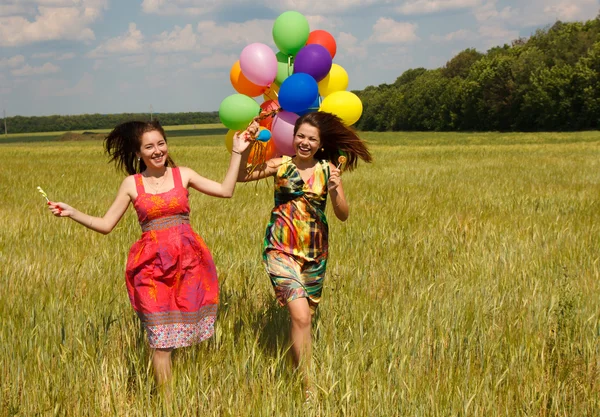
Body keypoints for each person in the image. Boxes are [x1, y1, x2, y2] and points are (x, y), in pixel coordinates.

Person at [47, 119, 256, 389]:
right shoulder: (132, 184)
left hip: (188, 263)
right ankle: (167, 403)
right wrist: (72, 212)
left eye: (161, 143)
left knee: (183, 332)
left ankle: (182, 393)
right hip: (150, 267)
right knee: (161, 341)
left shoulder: (184, 174)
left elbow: (226, 191)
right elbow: (106, 225)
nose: (158, 150)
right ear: (138, 153)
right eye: (149, 146)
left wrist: (238, 152)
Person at [237, 111, 372, 397]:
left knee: (304, 319)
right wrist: (247, 144)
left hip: (314, 253)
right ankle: (308, 388)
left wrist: (336, 191)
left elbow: (343, 215)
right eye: (300, 136)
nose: (305, 142)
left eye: (312, 139)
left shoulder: (328, 171)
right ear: (292, 137)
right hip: (280, 249)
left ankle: (294, 371)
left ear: (321, 144)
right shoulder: (281, 165)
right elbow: (241, 175)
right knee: (300, 316)